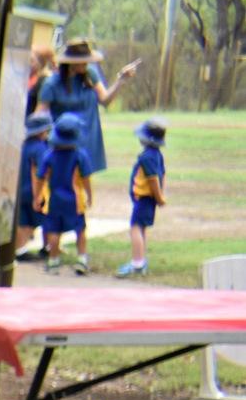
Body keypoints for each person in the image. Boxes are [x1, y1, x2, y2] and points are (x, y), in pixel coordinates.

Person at [40, 37, 143, 179]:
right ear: (72, 63)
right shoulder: (52, 84)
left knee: (82, 182)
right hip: (63, 142)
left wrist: (121, 79)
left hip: (87, 137)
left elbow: (105, 100)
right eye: (84, 60)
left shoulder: (90, 75)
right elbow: (40, 114)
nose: (87, 63)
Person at [40, 111, 95, 274]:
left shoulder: (49, 155)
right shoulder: (80, 155)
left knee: (54, 230)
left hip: (54, 200)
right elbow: (85, 178)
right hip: (75, 200)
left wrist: (38, 196)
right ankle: (82, 259)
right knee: (80, 229)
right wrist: (89, 195)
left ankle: (53, 260)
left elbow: (41, 177)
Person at [119, 119, 169, 279]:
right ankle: (140, 259)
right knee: (141, 229)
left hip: (144, 198)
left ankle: (138, 263)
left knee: (135, 227)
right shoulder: (157, 155)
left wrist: (159, 196)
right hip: (147, 199)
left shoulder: (147, 157)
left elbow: (154, 178)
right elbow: (163, 175)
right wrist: (161, 194)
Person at [13, 110, 53, 264]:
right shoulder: (40, 149)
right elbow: (41, 172)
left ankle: (19, 248)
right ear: (42, 131)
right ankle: (46, 248)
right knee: (39, 221)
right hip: (34, 190)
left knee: (23, 221)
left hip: (20, 189)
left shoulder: (23, 146)